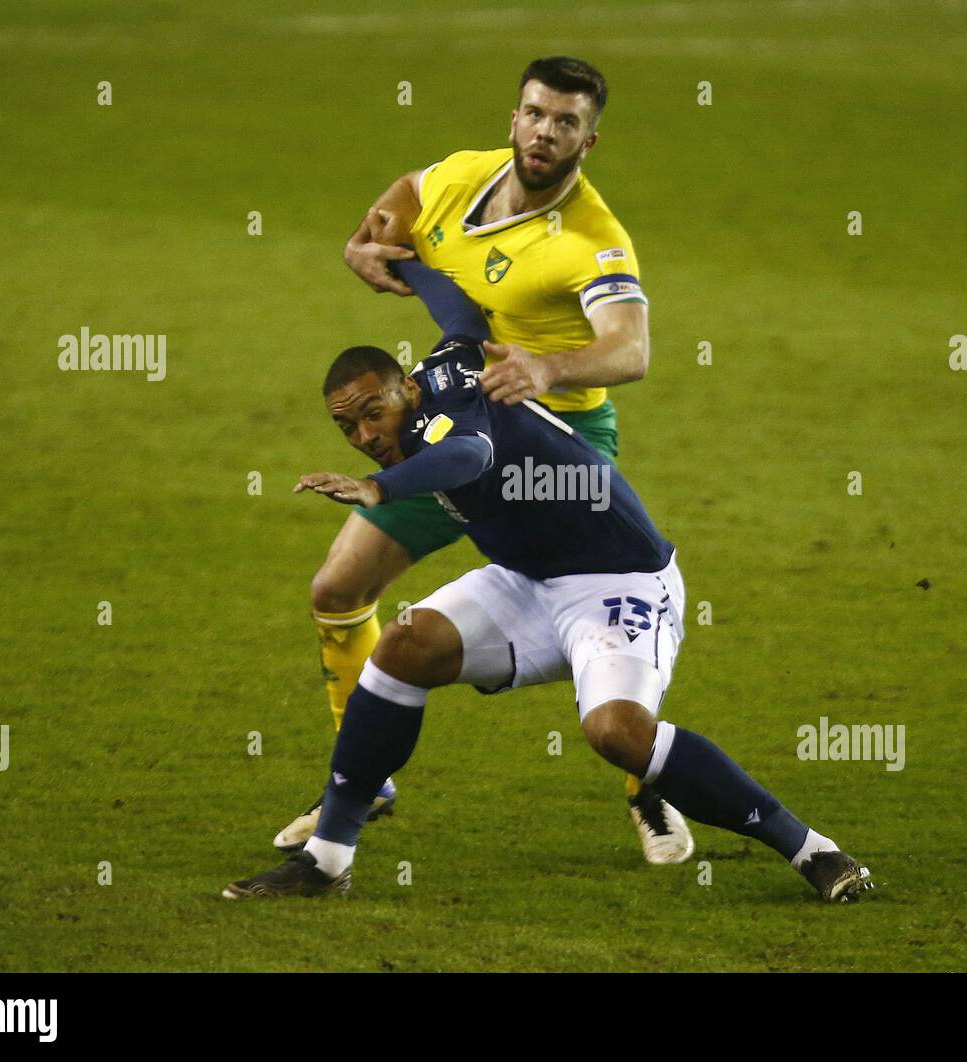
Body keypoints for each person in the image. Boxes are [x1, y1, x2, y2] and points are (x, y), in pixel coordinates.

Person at [225, 259, 873, 904]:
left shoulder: (440, 428)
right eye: (348, 426)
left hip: (621, 584)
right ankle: (328, 862)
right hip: (528, 581)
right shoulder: (446, 365)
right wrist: (407, 266)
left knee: (616, 732)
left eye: (374, 413)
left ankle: (814, 851)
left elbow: (470, 455)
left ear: (405, 392)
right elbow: (461, 317)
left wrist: (380, 487)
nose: (365, 435)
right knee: (401, 648)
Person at [277, 55, 694, 865]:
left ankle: (646, 784)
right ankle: (363, 786)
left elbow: (632, 349)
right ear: (514, 118)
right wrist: (369, 242)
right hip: (449, 433)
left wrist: (548, 367)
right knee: (337, 589)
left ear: (589, 140)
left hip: (551, 448)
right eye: (536, 114)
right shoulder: (468, 176)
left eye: (566, 123)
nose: (546, 133)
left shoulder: (591, 239)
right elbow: (409, 192)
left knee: (583, 615)